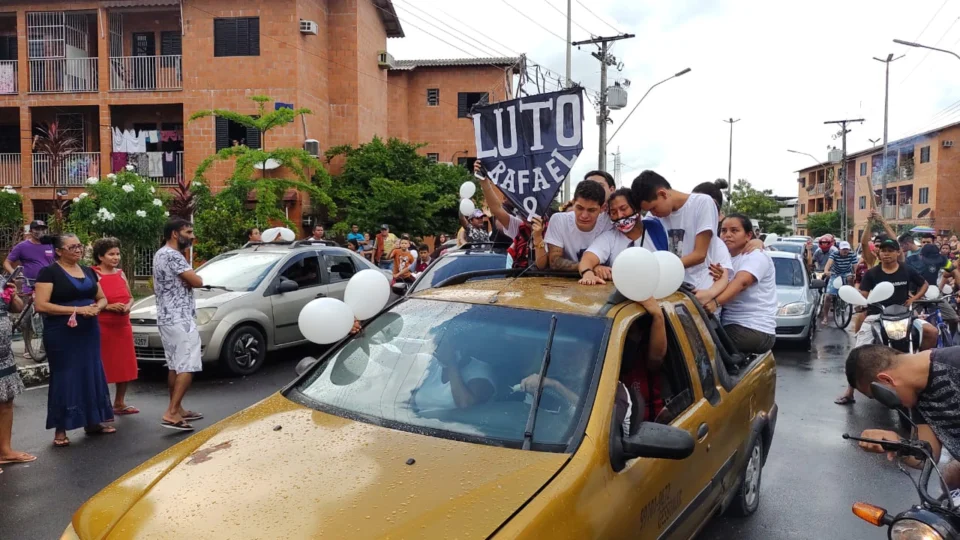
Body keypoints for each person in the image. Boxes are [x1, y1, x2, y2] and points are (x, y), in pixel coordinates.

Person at [834, 236, 938, 405]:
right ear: (879, 254)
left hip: (905, 315)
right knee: (859, 351)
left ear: (898, 252)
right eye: (883, 251)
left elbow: (924, 284)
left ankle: (925, 375)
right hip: (876, 316)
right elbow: (865, 294)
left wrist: (914, 299)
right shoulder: (872, 273)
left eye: (890, 251)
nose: (886, 254)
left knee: (931, 332)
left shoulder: (907, 269)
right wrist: (860, 303)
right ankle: (850, 391)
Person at [34, 234, 113, 447]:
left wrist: (97, 308)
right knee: (65, 376)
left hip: (88, 330)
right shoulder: (49, 272)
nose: (78, 250)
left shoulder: (87, 271)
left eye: (79, 246)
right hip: (62, 332)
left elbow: (102, 297)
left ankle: (93, 421)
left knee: (92, 372)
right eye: (72, 247)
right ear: (59, 251)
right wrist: (77, 309)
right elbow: (41, 305)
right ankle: (61, 428)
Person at [845, 344, 960, 488]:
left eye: (879, 396)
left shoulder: (954, 362)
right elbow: (926, 457)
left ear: (886, 380)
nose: (885, 404)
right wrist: (898, 445)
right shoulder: (920, 399)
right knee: (951, 479)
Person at [631, 170, 730, 305]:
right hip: (671, 292)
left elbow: (700, 254)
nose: (653, 213)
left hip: (700, 294)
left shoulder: (702, 203)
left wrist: (659, 267)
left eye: (654, 208)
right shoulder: (654, 216)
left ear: (663, 194)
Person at [154, 219, 204, 431]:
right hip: (179, 318)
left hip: (167, 316)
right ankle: (172, 412)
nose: (192, 236)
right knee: (188, 365)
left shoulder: (159, 253)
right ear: (175, 234)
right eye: (188, 232)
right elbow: (197, 281)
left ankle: (178, 407)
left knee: (175, 364)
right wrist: (192, 278)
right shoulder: (173, 256)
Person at [704, 215, 777, 353]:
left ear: (748, 235)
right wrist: (722, 279)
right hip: (730, 324)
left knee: (702, 344)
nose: (727, 235)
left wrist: (715, 303)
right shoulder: (725, 260)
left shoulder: (756, 255)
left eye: (734, 230)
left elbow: (742, 282)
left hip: (754, 328)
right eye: (724, 231)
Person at [578, 188, 668, 285]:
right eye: (613, 212)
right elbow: (587, 259)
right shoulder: (609, 237)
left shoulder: (659, 228)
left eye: (623, 209)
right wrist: (588, 273)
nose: (620, 216)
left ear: (636, 208)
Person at [91, 238, 138, 416]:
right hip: (103, 325)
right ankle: (101, 405)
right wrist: (109, 306)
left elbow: (131, 297)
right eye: (111, 254)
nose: (116, 257)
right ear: (100, 256)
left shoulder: (120, 273)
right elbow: (91, 300)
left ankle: (119, 402)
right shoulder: (92, 273)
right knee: (103, 365)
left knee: (124, 364)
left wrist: (128, 306)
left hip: (122, 325)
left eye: (117, 254)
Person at [0, 271, 35, 470]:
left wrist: (12, 294)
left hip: (3, 354)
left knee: (6, 400)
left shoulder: (0, 279)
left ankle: (5, 451)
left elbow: (17, 309)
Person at [545, 180, 610, 271]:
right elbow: (554, 261)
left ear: (602, 208)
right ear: (573, 202)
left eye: (591, 210)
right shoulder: (559, 220)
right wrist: (588, 268)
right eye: (579, 208)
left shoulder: (609, 221)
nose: (584, 216)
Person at [907, 243, 960, 333]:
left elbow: (953, 270)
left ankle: (949, 342)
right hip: (914, 295)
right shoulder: (910, 260)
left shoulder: (942, 259)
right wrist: (909, 293)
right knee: (907, 322)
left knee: (954, 318)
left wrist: (959, 287)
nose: (932, 262)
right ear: (921, 255)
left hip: (933, 293)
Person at [4, 220, 54, 290]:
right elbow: (7, 263)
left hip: (48, 284)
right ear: (30, 231)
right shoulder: (22, 246)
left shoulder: (50, 245)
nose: (40, 231)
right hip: (29, 285)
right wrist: (14, 273)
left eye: (42, 229)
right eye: (37, 229)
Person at [821, 241, 858, 325]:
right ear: (839, 249)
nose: (845, 251)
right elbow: (829, 263)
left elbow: (856, 266)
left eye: (847, 249)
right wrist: (826, 271)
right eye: (843, 249)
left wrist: (856, 274)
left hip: (847, 273)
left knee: (850, 278)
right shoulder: (835, 254)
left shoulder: (852, 255)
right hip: (835, 274)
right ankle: (825, 317)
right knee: (828, 296)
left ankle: (851, 295)